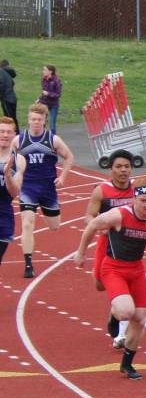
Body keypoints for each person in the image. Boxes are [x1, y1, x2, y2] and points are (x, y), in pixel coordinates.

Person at [73, 173, 146, 379]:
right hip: (113, 269)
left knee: (140, 319)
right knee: (125, 312)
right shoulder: (118, 215)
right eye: (143, 200)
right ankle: (114, 315)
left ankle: (127, 364)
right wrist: (81, 252)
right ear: (134, 198)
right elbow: (92, 225)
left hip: (136, 271)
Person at [84, 148, 135, 348]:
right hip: (106, 242)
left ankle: (120, 326)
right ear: (111, 169)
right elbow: (89, 216)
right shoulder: (101, 190)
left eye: (127, 167)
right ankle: (116, 309)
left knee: (125, 282)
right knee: (100, 284)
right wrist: (100, 226)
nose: (123, 170)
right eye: (119, 167)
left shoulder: (137, 189)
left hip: (128, 245)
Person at [17, 103, 74, 278]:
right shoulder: (19, 140)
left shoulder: (52, 139)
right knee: (27, 224)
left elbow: (69, 156)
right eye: (33, 119)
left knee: (54, 226)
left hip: (48, 188)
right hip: (28, 188)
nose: (36, 122)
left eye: (39, 120)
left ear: (44, 121)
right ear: (28, 120)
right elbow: (7, 159)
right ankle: (28, 264)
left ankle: (44, 209)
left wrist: (62, 177)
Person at [0, 117, 26, 271]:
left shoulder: (19, 160)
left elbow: (15, 192)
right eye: (2, 131)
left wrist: (8, 175)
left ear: (14, 135)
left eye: (8, 132)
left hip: (3, 214)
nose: (5, 135)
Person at [39, 65, 62, 135]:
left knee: (52, 124)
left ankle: (53, 138)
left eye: (45, 70)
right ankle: (41, 137)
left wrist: (48, 94)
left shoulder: (56, 80)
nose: (43, 71)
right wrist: (39, 99)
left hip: (53, 105)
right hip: (44, 103)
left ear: (50, 71)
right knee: (42, 122)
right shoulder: (43, 79)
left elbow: (58, 94)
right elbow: (43, 92)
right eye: (43, 70)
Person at [0, 60, 17, 132]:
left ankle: (14, 133)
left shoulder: (1, 72)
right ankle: (16, 133)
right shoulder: (7, 74)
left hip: (6, 99)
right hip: (12, 98)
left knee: (9, 118)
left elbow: (2, 85)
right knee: (12, 117)